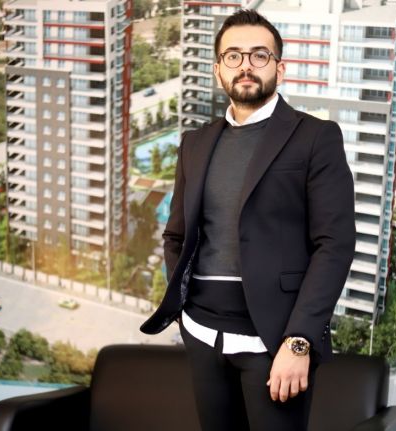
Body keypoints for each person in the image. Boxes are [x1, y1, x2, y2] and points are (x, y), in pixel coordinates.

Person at [140, 9, 355, 431]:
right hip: (202, 335)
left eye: (259, 55)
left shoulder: (316, 137)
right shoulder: (194, 143)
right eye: (233, 56)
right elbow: (176, 235)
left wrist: (299, 341)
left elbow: (334, 245)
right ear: (218, 69)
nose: (246, 66)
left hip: (275, 344)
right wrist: (185, 316)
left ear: (279, 68)